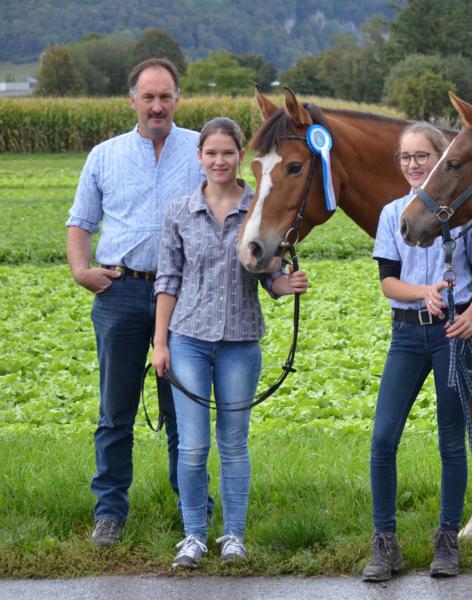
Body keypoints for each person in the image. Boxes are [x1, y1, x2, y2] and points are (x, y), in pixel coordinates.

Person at [151, 117, 309, 568]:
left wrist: (286, 284)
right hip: (189, 341)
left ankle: (234, 536)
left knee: (234, 443)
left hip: (241, 342)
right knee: (194, 445)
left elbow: (269, 276)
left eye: (228, 152)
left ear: (241, 156)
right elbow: (168, 280)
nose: (219, 161)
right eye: (211, 153)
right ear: (199, 157)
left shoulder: (256, 208)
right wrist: (160, 343)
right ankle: (194, 536)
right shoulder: (179, 211)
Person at [66, 57, 206, 548]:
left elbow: (237, 206)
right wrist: (83, 272)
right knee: (115, 411)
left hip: (186, 296)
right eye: (148, 97)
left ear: (177, 99)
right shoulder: (105, 155)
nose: (157, 105)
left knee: (184, 409)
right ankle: (109, 513)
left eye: (165, 96)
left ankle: (193, 510)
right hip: (120, 294)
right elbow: (80, 222)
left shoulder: (200, 151)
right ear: (133, 101)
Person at [362, 123, 472, 581]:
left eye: (422, 156)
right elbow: (387, 283)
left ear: (440, 159)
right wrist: (422, 292)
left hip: (450, 337)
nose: (413, 164)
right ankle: (384, 543)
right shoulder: (392, 214)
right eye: (406, 157)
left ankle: (446, 540)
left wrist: (471, 316)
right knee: (382, 439)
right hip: (407, 334)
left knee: (449, 439)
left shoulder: (468, 216)